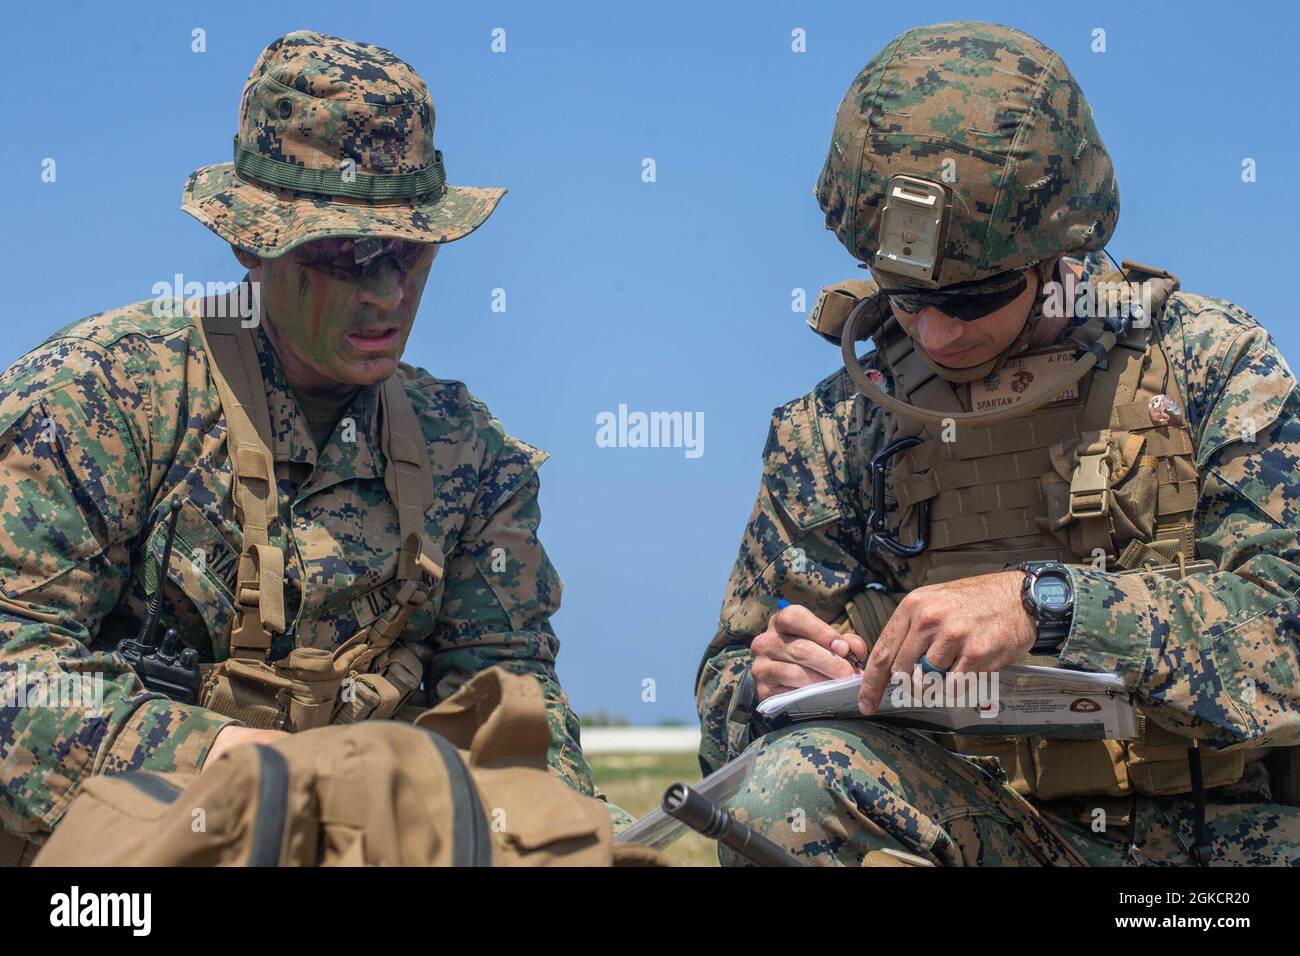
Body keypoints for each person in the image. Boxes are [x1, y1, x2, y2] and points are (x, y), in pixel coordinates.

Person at [695, 19, 1300, 866]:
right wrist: (767, 686)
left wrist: (1049, 608)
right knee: (783, 789)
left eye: (977, 297)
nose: (938, 334)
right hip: (987, 836)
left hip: (1216, 853)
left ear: (1061, 248)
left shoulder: (1209, 363)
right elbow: (727, 700)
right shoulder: (837, 428)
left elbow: (1285, 627)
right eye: (904, 297)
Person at [0, 30, 606, 865]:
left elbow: (509, 697)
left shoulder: (472, 457)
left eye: (409, 250)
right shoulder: (99, 400)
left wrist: (556, 831)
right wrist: (233, 768)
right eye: (347, 254)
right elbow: (15, 673)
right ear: (253, 242)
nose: (388, 291)